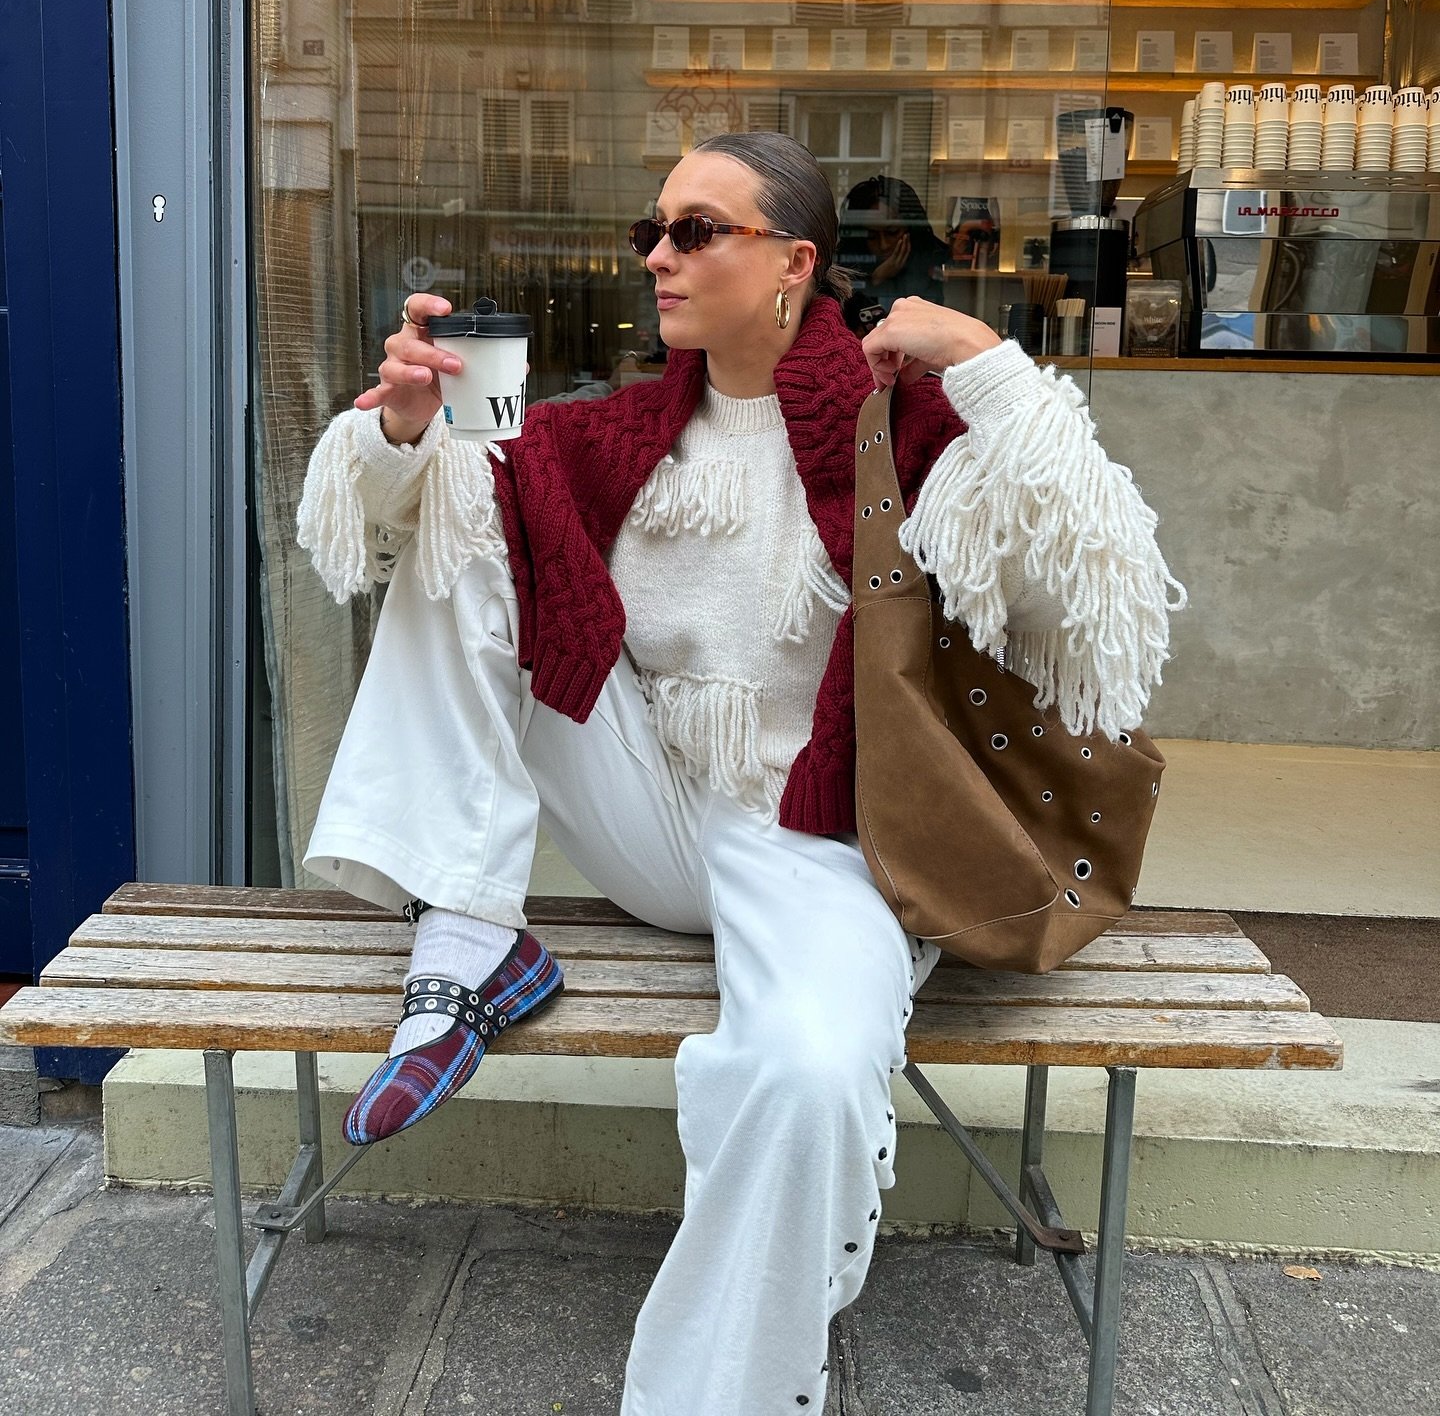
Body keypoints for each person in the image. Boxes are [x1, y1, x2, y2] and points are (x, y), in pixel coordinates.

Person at [296, 132, 1186, 1414]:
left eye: (697, 230)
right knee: (476, 506)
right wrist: (401, 427)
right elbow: (404, 531)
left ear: (793, 262)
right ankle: (468, 934)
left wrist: (985, 365)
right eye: (653, 231)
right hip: (654, 816)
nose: (659, 255)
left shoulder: (898, 424)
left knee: (812, 1073)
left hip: (825, 843)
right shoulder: (610, 436)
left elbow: (1083, 578)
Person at [840, 174, 951, 311]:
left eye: (892, 232)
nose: (883, 245)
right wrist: (875, 280)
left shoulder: (931, 261)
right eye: (871, 236)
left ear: (910, 230)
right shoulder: (846, 262)